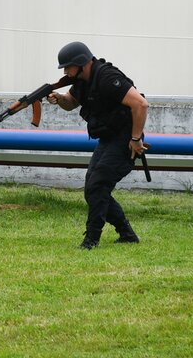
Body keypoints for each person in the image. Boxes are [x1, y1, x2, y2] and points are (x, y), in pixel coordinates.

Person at [46, 41, 149, 250]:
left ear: (81, 63)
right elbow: (71, 102)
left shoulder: (107, 77)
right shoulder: (83, 79)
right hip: (108, 138)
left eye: (68, 67)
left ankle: (91, 239)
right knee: (92, 189)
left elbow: (140, 104)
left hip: (125, 139)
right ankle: (127, 234)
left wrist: (136, 139)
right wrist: (58, 98)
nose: (66, 72)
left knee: (98, 186)